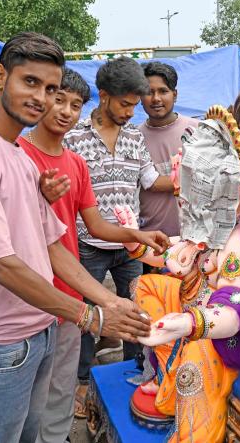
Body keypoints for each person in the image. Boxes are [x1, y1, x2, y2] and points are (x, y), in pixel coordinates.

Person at [0, 32, 157, 443]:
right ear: (0, 76)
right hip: (1, 344)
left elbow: (52, 246)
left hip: (41, 328)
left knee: (33, 435)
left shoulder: (18, 156)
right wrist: (87, 314)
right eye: (29, 82)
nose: (41, 97)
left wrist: (108, 300)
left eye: (50, 88)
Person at [113, 108, 240, 442]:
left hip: (233, 336)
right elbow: (173, 252)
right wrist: (132, 237)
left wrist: (191, 324)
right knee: (145, 284)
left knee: (196, 356)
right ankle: (169, 377)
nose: (179, 175)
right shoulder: (202, 225)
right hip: (197, 308)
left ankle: (194, 434)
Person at [18, 68, 169, 443]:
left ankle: (60, 431)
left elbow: (97, 221)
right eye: (57, 99)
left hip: (84, 270)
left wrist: (138, 234)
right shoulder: (19, 156)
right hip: (33, 288)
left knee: (65, 372)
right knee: (30, 380)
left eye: (73, 104)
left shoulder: (76, 162)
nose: (65, 110)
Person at [64, 56, 175, 417]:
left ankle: (136, 373)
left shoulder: (133, 137)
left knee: (138, 311)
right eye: (125, 104)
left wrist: (185, 178)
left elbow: (149, 180)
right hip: (88, 245)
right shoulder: (73, 136)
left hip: (130, 247)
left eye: (133, 104)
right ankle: (82, 382)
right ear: (103, 96)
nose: (131, 112)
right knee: (85, 317)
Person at [139, 62, 198, 239]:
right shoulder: (133, 138)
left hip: (195, 241)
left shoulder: (199, 131)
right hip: (149, 243)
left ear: (175, 94)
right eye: (149, 92)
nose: (156, 98)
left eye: (163, 91)